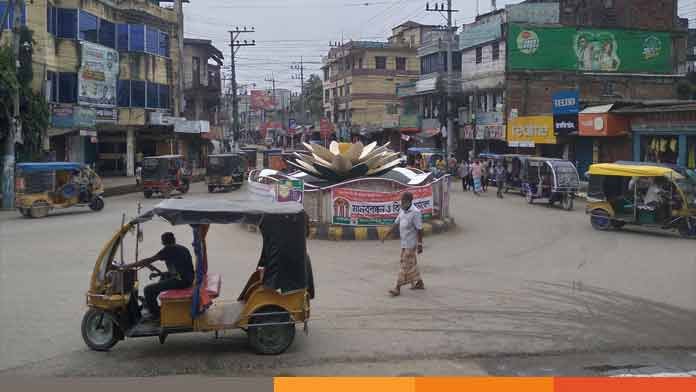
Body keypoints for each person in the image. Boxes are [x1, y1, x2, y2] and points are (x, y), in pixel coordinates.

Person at [120, 232, 194, 321]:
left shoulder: (168, 249)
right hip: (186, 278)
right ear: (174, 239)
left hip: (181, 281)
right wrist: (160, 273)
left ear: (163, 242)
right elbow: (180, 268)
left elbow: (150, 260)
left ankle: (156, 315)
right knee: (162, 279)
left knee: (148, 289)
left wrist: (127, 266)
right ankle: (150, 304)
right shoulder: (182, 248)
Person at [382, 192, 424, 297]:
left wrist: (419, 244)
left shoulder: (415, 212)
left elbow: (419, 229)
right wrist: (387, 234)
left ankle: (397, 287)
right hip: (404, 243)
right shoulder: (402, 210)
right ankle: (419, 282)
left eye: (403, 201)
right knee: (412, 263)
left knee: (404, 264)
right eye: (401, 201)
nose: (402, 203)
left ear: (409, 201)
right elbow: (396, 223)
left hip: (411, 244)